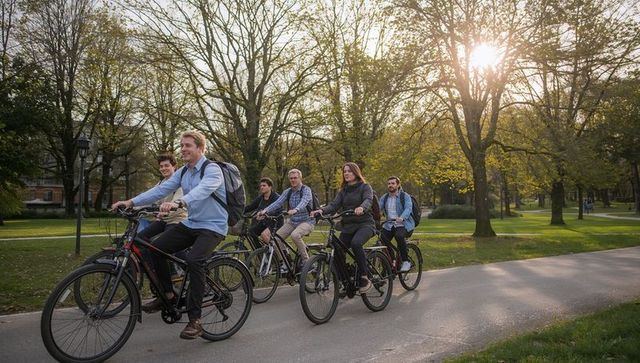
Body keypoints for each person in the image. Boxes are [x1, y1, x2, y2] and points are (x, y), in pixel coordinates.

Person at [111, 130, 227, 340]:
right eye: (181, 145)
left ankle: (195, 320)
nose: (183, 149)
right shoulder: (183, 172)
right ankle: (168, 295)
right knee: (154, 249)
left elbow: (203, 190)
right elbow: (158, 191)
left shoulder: (212, 170)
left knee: (194, 261)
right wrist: (130, 202)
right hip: (192, 223)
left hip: (213, 226)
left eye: (188, 145)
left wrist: (179, 202)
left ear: (200, 148)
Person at [311, 162, 375, 294]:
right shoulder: (343, 191)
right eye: (344, 171)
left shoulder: (365, 187)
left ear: (356, 173)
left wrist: (362, 207)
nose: (346, 173)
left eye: (349, 171)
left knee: (356, 243)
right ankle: (345, 278)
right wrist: (320, 211)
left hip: (365, 224)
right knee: (337, 249)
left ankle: (364, 276)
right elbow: (334, 206)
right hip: (348, 226)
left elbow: (368, 200)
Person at [256, 168, 315, 272]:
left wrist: (296, 209)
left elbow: (304, 201)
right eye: (291, 178)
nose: (293, 180)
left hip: (307, 221)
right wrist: (265, 211)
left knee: (295, 235)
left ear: (300, 178)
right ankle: (285, 263)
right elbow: (278, 203)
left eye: (295, 178)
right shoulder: (287, 192)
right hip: (293, 222)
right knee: (275, 239)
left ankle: (307, 261)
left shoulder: (306, 190)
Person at [136, 152, 187, 241]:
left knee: (164, 245)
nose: (163, 168)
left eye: (166, 165)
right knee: (139, 238)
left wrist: (165, 210)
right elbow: (150, 199)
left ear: (174, 167)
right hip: (163, 220)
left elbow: (177, 201)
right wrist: (133, 206)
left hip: (177, 220)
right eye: (161, 166)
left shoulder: (180, 183)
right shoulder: (161, 184)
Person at [379, 176, 415, 273]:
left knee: (399, 236)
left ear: (398, 185)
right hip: (389, 225)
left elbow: (408, 208)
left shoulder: (404, 196)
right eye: (389, 183)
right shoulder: (385, 197)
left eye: (393, 183)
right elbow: (378, 208)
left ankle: (405, 261)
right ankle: (392, 261)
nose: (390, 185)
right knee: (381, 239)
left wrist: (402, 217)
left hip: (404, 224)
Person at [244, 177, 283, 247]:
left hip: (275, 222)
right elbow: (251, 207)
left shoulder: (276, 198)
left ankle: (276, 252)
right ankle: (260, 251)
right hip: (265, 222)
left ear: (270, 187)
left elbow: (277, 210)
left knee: (264, 235)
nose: (261, 187)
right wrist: (239, 211)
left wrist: (264, 214)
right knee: (251, 232)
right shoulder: (261, 198)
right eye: (261, 186)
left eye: (264, 185)